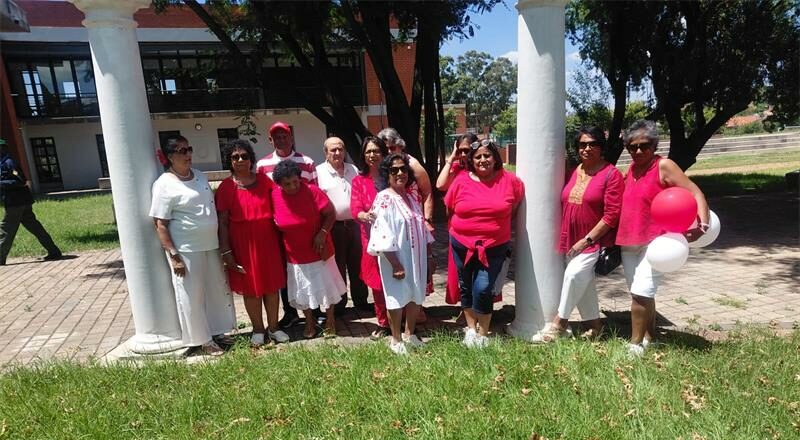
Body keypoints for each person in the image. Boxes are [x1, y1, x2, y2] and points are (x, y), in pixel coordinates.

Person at [617, 120, 709, 356]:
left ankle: (634, 346)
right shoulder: (631, 170)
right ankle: (651, 337)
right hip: (629, 242)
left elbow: (694, 191)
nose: (638, 151)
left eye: (644, 146)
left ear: (655, 144)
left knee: (641, 292)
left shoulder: (664, 166)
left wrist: (704, 223)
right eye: (632, 147)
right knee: (642, 293)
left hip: (656, 242)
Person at [533, 127, 623, 343]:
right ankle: (595, 326)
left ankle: (559, 324)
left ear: (601, 148)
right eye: (582, 144)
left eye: (592, 144)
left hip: (595, 241)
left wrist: (587, 240)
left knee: (574, 276)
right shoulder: (574, 171)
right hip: (570, 237)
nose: (587, 148)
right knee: (584, 283)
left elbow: (612, 215)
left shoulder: (611, 174)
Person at [149, 136, 236, 356]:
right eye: (181, 151)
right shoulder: (164, 184)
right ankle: (202, 340)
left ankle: (217, 332)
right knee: (191, 295)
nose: (188, 154)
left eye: (189, 148)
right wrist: (174, 255)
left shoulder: (199, 176)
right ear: (170, 157)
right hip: (187, 249)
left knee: (216, 289)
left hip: (211, 245)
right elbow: (160, 223)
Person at [444, 140, 523, 348]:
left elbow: (514, 207)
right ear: (471, 160)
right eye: (477, 157)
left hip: (493, 247)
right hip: (461, 244)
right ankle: (470, 330)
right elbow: (450, 208)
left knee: (483, 288)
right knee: (466, 286)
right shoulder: (461, 181)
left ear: (495, 158)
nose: (482, 160)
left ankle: (483, 333)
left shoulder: (511, 181)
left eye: (487, 155)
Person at [215, 139, 289, 346]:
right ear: (229, 161)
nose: (240, 160)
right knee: (251, 288)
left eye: (244, 156)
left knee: (271, 286)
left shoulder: (265, 181)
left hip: (268, 240)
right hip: (242, 243)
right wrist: (226, 251)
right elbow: (222, 221)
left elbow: (280, 206)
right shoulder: (226, 187)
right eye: (235, 157)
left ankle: (274, 328)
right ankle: (257, 329)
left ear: (251, 159)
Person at [270, 159, 345, 338]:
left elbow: (330, 214)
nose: (293, 186)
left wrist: (322, 233)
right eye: (287, 184)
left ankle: (330, 320)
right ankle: (309, 322)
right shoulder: (274, 196)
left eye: (295, 181)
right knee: (303, 290)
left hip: (318, 249)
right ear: (280, 184)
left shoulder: (313, 191)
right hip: (295, 253)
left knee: (327, 287)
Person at [368, 153, 434, 355]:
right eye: (394, 169)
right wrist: (395, 263)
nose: (400, 173)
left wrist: (429, 256)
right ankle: (396, 340)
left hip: (416, 257)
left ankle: (409, 334)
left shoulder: (411, 197)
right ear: (386, 173)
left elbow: (422, 227)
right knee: (396, 298)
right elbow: (381, 231)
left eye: (403, 169)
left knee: (415, 294)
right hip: (396, 259)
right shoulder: (384, 198)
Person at [256, 121, 317, 330]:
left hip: (307, 227)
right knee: (285, 270)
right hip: (280, 227)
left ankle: (314, 309)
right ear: (270, 139)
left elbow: (315, 194)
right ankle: (290, 312)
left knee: (311, 267)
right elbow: (263, 196)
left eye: (285, 135)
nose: (281, 139)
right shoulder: (262, 166)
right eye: (277, 136)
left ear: (291, 137)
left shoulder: (306, 162)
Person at [316, 137, 369, 312]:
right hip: (333, 227)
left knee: (357, 263)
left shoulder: (353, 169)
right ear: (326, 153)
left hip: (354, 224)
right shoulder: (319, 172)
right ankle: (339, 305)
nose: (338, 153)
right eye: (333, 150)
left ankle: (361, 300)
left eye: (340, 149)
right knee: (337, 266)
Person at [350, 136, 391, 339]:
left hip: (396, 239)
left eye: (376, 151)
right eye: (368, 152)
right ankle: (383, 322)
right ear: (363, 156)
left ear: (384, 153)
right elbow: (355, 208)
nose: (372, 155)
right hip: (371, 239)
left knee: (397, 278)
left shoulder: (392, 176)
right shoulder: (358, 180)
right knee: (377, 283)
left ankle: (400, 319)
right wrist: (364, 215)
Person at [0, 139, 62, 265]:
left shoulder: (9, 163)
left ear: (2, 149)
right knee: (35, 227)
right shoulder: (3, 163)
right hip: (20, 202)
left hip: (16, 203)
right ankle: (54, 251)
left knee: (5, 229)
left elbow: (21, 181)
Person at [436, 133, 479, 307]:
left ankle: (479, 307)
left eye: (466, 150)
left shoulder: (482, 169)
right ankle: (465, 308)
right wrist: (451, 157)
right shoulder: (455, 168)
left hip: (478, 227)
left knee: (478, 271)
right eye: (460, 150)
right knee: (459, 270)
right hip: (456, 227)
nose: (463, 155)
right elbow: (440, 185)